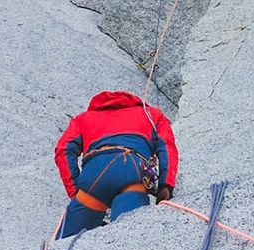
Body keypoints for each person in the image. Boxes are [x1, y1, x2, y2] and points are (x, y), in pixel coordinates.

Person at [54, 90, 179, 238]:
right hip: (132, 171)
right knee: (128, 237)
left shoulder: (83, 119)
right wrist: (166, 185)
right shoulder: (152, 114)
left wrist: (75, 190)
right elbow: (167, 147)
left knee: (66, 246)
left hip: (94, 176)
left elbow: (63, 150)